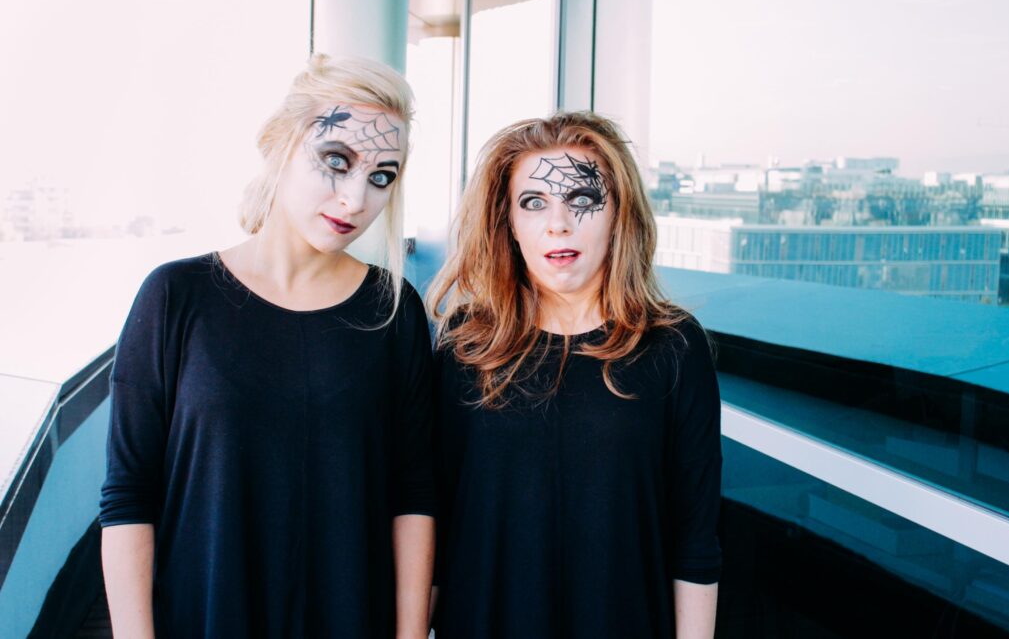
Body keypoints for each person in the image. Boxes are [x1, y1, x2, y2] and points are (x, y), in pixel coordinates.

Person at [99, 54, 435, 638]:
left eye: (382, 176)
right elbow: (129, 496)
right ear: (281, 146)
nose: (356, 199)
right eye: (337, 160)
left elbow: (414, 495)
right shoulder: (177, 296)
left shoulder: (392, 309)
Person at [426, 111, 722, 638]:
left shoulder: (674, 347)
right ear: (509, 224)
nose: (557, 223)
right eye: (533, 203)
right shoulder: (466, 346)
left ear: (619, 214)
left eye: (582, 199)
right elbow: (435, 519)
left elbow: (696, 542)